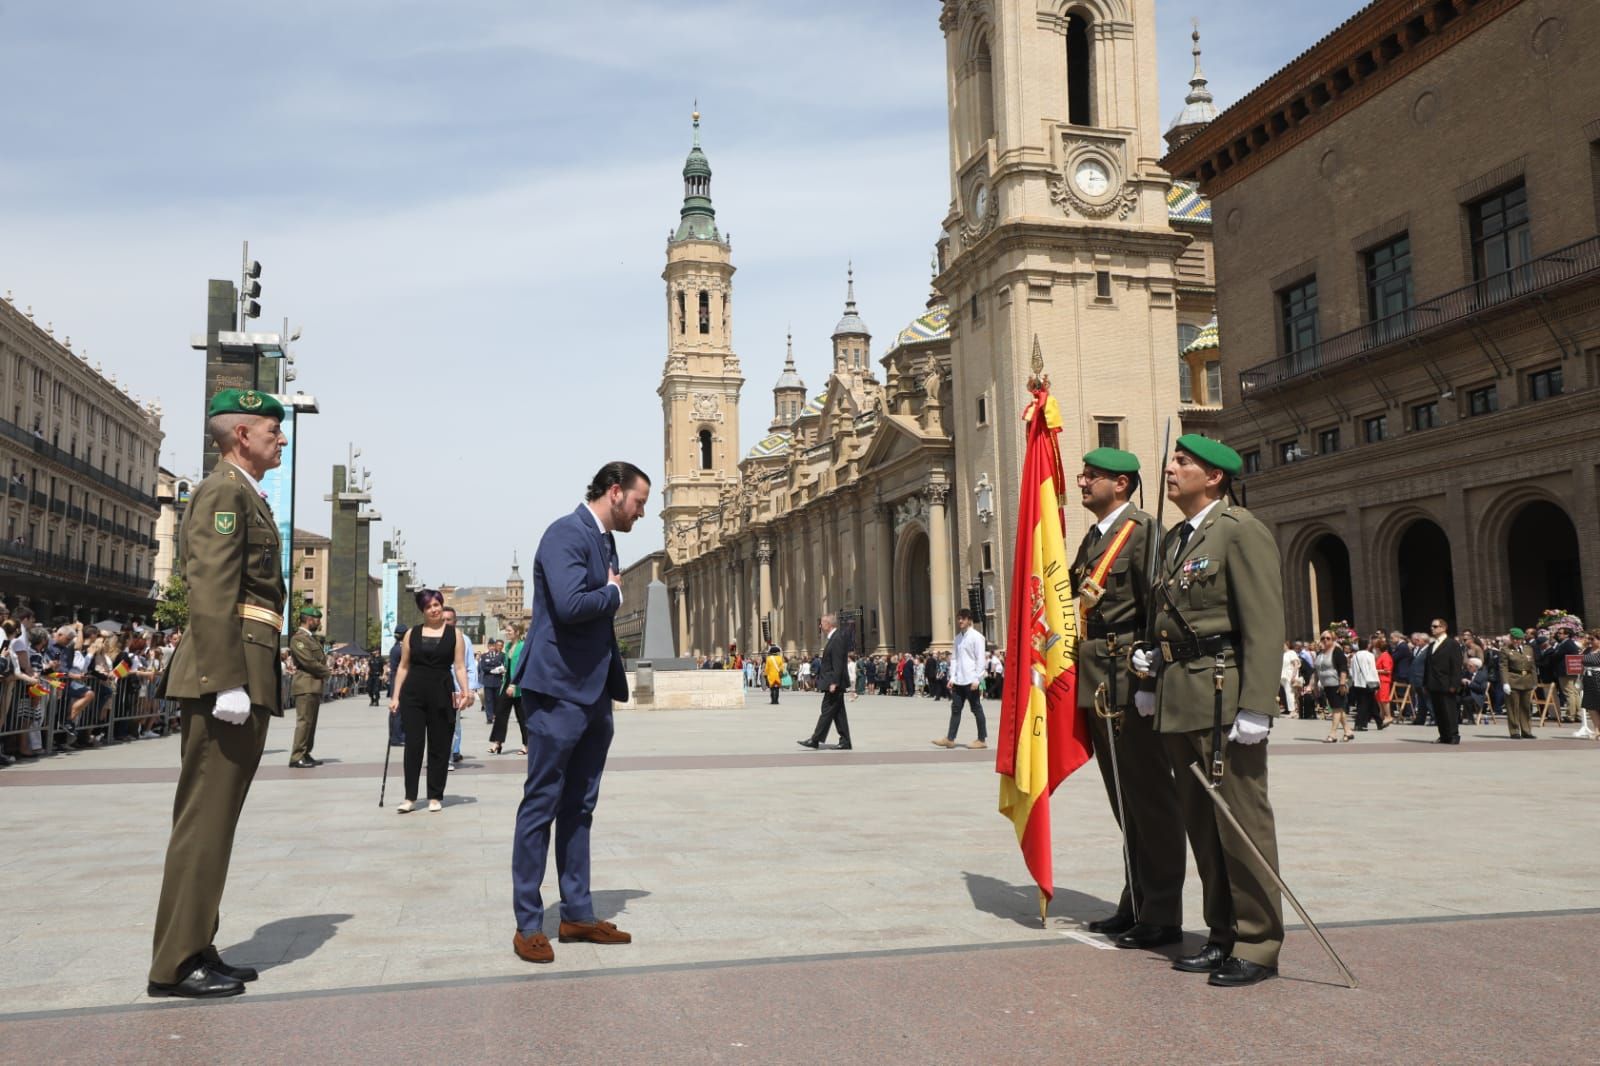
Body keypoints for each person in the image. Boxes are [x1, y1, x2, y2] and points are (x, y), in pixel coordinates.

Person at [148, 388, 289, 1000]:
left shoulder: (244, 493)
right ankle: (174, 963)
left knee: (217, 820)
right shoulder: (224, 492)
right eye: (271, 430)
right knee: (204, 819)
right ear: (241, 437)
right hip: (224, 675)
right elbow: (209, 588)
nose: (279, 438)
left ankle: (198, 942)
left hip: (243, 667)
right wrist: (224, 678)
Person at [1144, 433, 1284, 988]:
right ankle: (1222, 934)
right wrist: (1153, 670)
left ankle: (1259, 942)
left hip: (1225, 698)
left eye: (1183, 462)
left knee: (1241, 824)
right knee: (1203, 827)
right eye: (1173, 460)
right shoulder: (1179, 538)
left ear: (1216, 476)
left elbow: (1265, 621)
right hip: (1183, 697)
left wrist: (1257, 705)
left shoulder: (1239, 531)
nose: (1171, 470)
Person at [511, 462, 648, 966]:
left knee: (580, 806)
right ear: (615, 492)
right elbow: (570, 606)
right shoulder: (564, 533)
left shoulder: (606, 541)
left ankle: (577, 914)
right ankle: (528, 924)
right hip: (556, 690)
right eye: (638, 503)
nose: (641, 513)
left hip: (592, 694)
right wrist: (613, 593)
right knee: (541, 804)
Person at [1062, 446, 1186, 950]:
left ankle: (1162, 913)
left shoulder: (1142, 533)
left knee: (1149, 799)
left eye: (1094, 476)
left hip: (1129, 682)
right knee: (1124, 800)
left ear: (1123, 484)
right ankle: (1136, 900)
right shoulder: (1094, 537)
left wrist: (1152, 681)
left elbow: (1159, 607)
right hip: (1099, 681)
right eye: (1083, 473)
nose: (1083, 481)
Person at [388, 591, 470, 812]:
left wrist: (466, 691)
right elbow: (403, 667)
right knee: (413, 745)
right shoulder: (411, 634)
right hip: (413, 693)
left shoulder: (455, 635)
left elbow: (460, 666)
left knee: (440, 745)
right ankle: (410, 797)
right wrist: (395, 696)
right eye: (429, 607)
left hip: (442, 692)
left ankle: (435, 795)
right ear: (422, 610)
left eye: (437, 605)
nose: (434, 609)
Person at [935, 608, 989, 750]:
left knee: (976, 708)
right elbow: (954, 659)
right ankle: (950, 738)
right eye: (959, 618)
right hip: (959, 680)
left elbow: (980, 659)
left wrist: (977, 679)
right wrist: (952, 677)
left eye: (963, 619)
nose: (960, 621)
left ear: (969, 620)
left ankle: (982, 739)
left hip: (971, 679)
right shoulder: (958, 638)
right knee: (956, 709)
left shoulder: (977, 637)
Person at [798, 612, 851, 750]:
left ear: (829, 624)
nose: (820, 626)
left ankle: (815, 739)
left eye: (821, 623)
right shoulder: (834, 637)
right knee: (838, 713)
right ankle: (845, 741)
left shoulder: (837, 638)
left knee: (827, 710)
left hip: (834, 683)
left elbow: (838, 662)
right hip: (833, 681)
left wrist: (834, 682)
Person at [288, 607, 329, 768]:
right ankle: (296, 755)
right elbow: (308, 661)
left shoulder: (311, 639)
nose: (319, 623)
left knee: (311, 723)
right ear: (309, 620)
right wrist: (326, 672)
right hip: (305, 685)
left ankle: (305, 753)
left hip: (313, 685)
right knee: (304, 722)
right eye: (317, 619)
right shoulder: (298, 639)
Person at [443, 606, 479, 767]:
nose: (445, 622)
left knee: (453, 724)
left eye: (448, 620)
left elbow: (470, 666)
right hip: (436, 688)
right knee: (435, 725)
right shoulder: (432, 638)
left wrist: (469, 690)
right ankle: (439, 755)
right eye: (442, 619)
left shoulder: (464, 640)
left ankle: (450, 756)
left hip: (456, 689)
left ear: (455, 622)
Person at [488, 623, 528, 756]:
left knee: (522, 716)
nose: (507, 633)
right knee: (500, 713)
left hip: (519, 686)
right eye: (506, 631)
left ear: (517, 632)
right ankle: (497, 743)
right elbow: (509, 664)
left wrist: (514, 684)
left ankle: (526, 744)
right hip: (506, 683)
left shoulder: (523, 646)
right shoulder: (508, 646)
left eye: (509, 631)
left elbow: (523, 667)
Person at [1423, 617, 1464, 745]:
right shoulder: (1431, 645)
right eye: (1431, 626)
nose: (1432, 629)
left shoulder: (1452, 644)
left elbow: (1456, 666)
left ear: (1443, 628)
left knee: (1449, 710)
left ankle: (1453, 735)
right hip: (1433, 683)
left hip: (1446, 683)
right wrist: (1425, 682)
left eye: (1435, 626)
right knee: (1438, 711)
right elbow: (1427, 665)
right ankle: (1444, 735)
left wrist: (1454, 684)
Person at [1315, 632, 1352, 742]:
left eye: (1328, 638)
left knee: (1336, 709)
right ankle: (1348, 731)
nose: (1325, 640)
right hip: (1326, 685)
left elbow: (1343, 668)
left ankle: (1333, 734)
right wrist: (1313, 685)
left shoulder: (1337, 651)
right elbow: (1316, 671)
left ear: (1333, 639)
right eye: (1323, 638)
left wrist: (1342, 683)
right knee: (1339, 709)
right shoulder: (1321, 653)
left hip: (1336, 684)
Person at [1502, 627, 1537, 739]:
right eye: (1514, 639)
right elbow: (1503, 667)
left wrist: (1534, 681)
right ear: (1511, 639)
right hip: (1513, 680)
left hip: (1526, 680)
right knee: (1513, 707)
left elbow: (1532, 666)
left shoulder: (1528, 649)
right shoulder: (1505, 650)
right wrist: (1505, 682)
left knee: (1526, 707)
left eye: (1519, 639)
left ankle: (1526, 730)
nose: (1516, 641)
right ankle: (1514, 730)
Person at [480, 640, 505, 726]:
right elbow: (483, 667)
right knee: (488, 700)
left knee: (497, 700)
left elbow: (503, 666)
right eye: (490, 646)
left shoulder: (501, 655)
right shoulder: (484, 656)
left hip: (498, 681)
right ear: (488, 647)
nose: (492, 648)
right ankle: (489, 718)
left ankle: (496, 715)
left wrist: (498, 670)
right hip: (488, 681)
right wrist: (492, 670)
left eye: (493, 646)